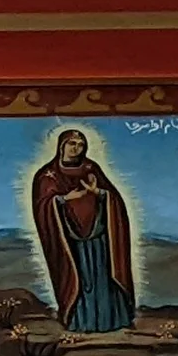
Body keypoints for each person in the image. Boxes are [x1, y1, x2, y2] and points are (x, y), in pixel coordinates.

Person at [28, 128, 140, 332]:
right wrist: (64, 199)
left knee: (102, 277)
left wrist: (98, 192)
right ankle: (81, 322)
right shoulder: (47, 175)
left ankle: (110, 321)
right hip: (70, 241)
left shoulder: (91, 169)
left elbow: (114, 198)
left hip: (99, 236)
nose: (76, 148)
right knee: (79, 279)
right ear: (61, 146)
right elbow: (42, 206)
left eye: (81, 145)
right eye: (72, 144)